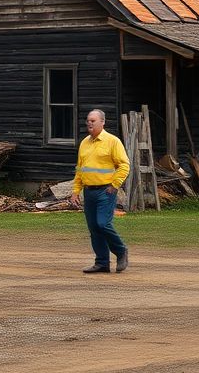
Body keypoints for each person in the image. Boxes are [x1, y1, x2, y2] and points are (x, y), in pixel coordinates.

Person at [68, 109, 130, 274]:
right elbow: (80, 169)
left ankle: (121, 250)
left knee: (103, 223)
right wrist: (76, 191)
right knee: (94, 227)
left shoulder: (112, 141)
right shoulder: (84, 143)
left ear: (103, 122)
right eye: (88, 120)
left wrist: (115, 184)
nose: (89, 123)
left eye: (93, 121)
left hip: (106, 191)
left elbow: (124, 165)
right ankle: (102, 262)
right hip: (89, 191)